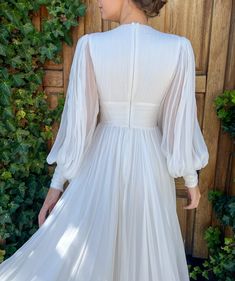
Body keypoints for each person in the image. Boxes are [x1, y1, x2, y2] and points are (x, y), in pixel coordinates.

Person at [0, 0, 209, 280]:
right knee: (142, 248)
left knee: (91, 245)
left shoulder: (91, 46)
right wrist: (190, 180)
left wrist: (57, 184)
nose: (97, 1)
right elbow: (178, 122)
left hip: (101, 158)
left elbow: (80, 126)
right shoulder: (178, 49)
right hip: (150, 163)